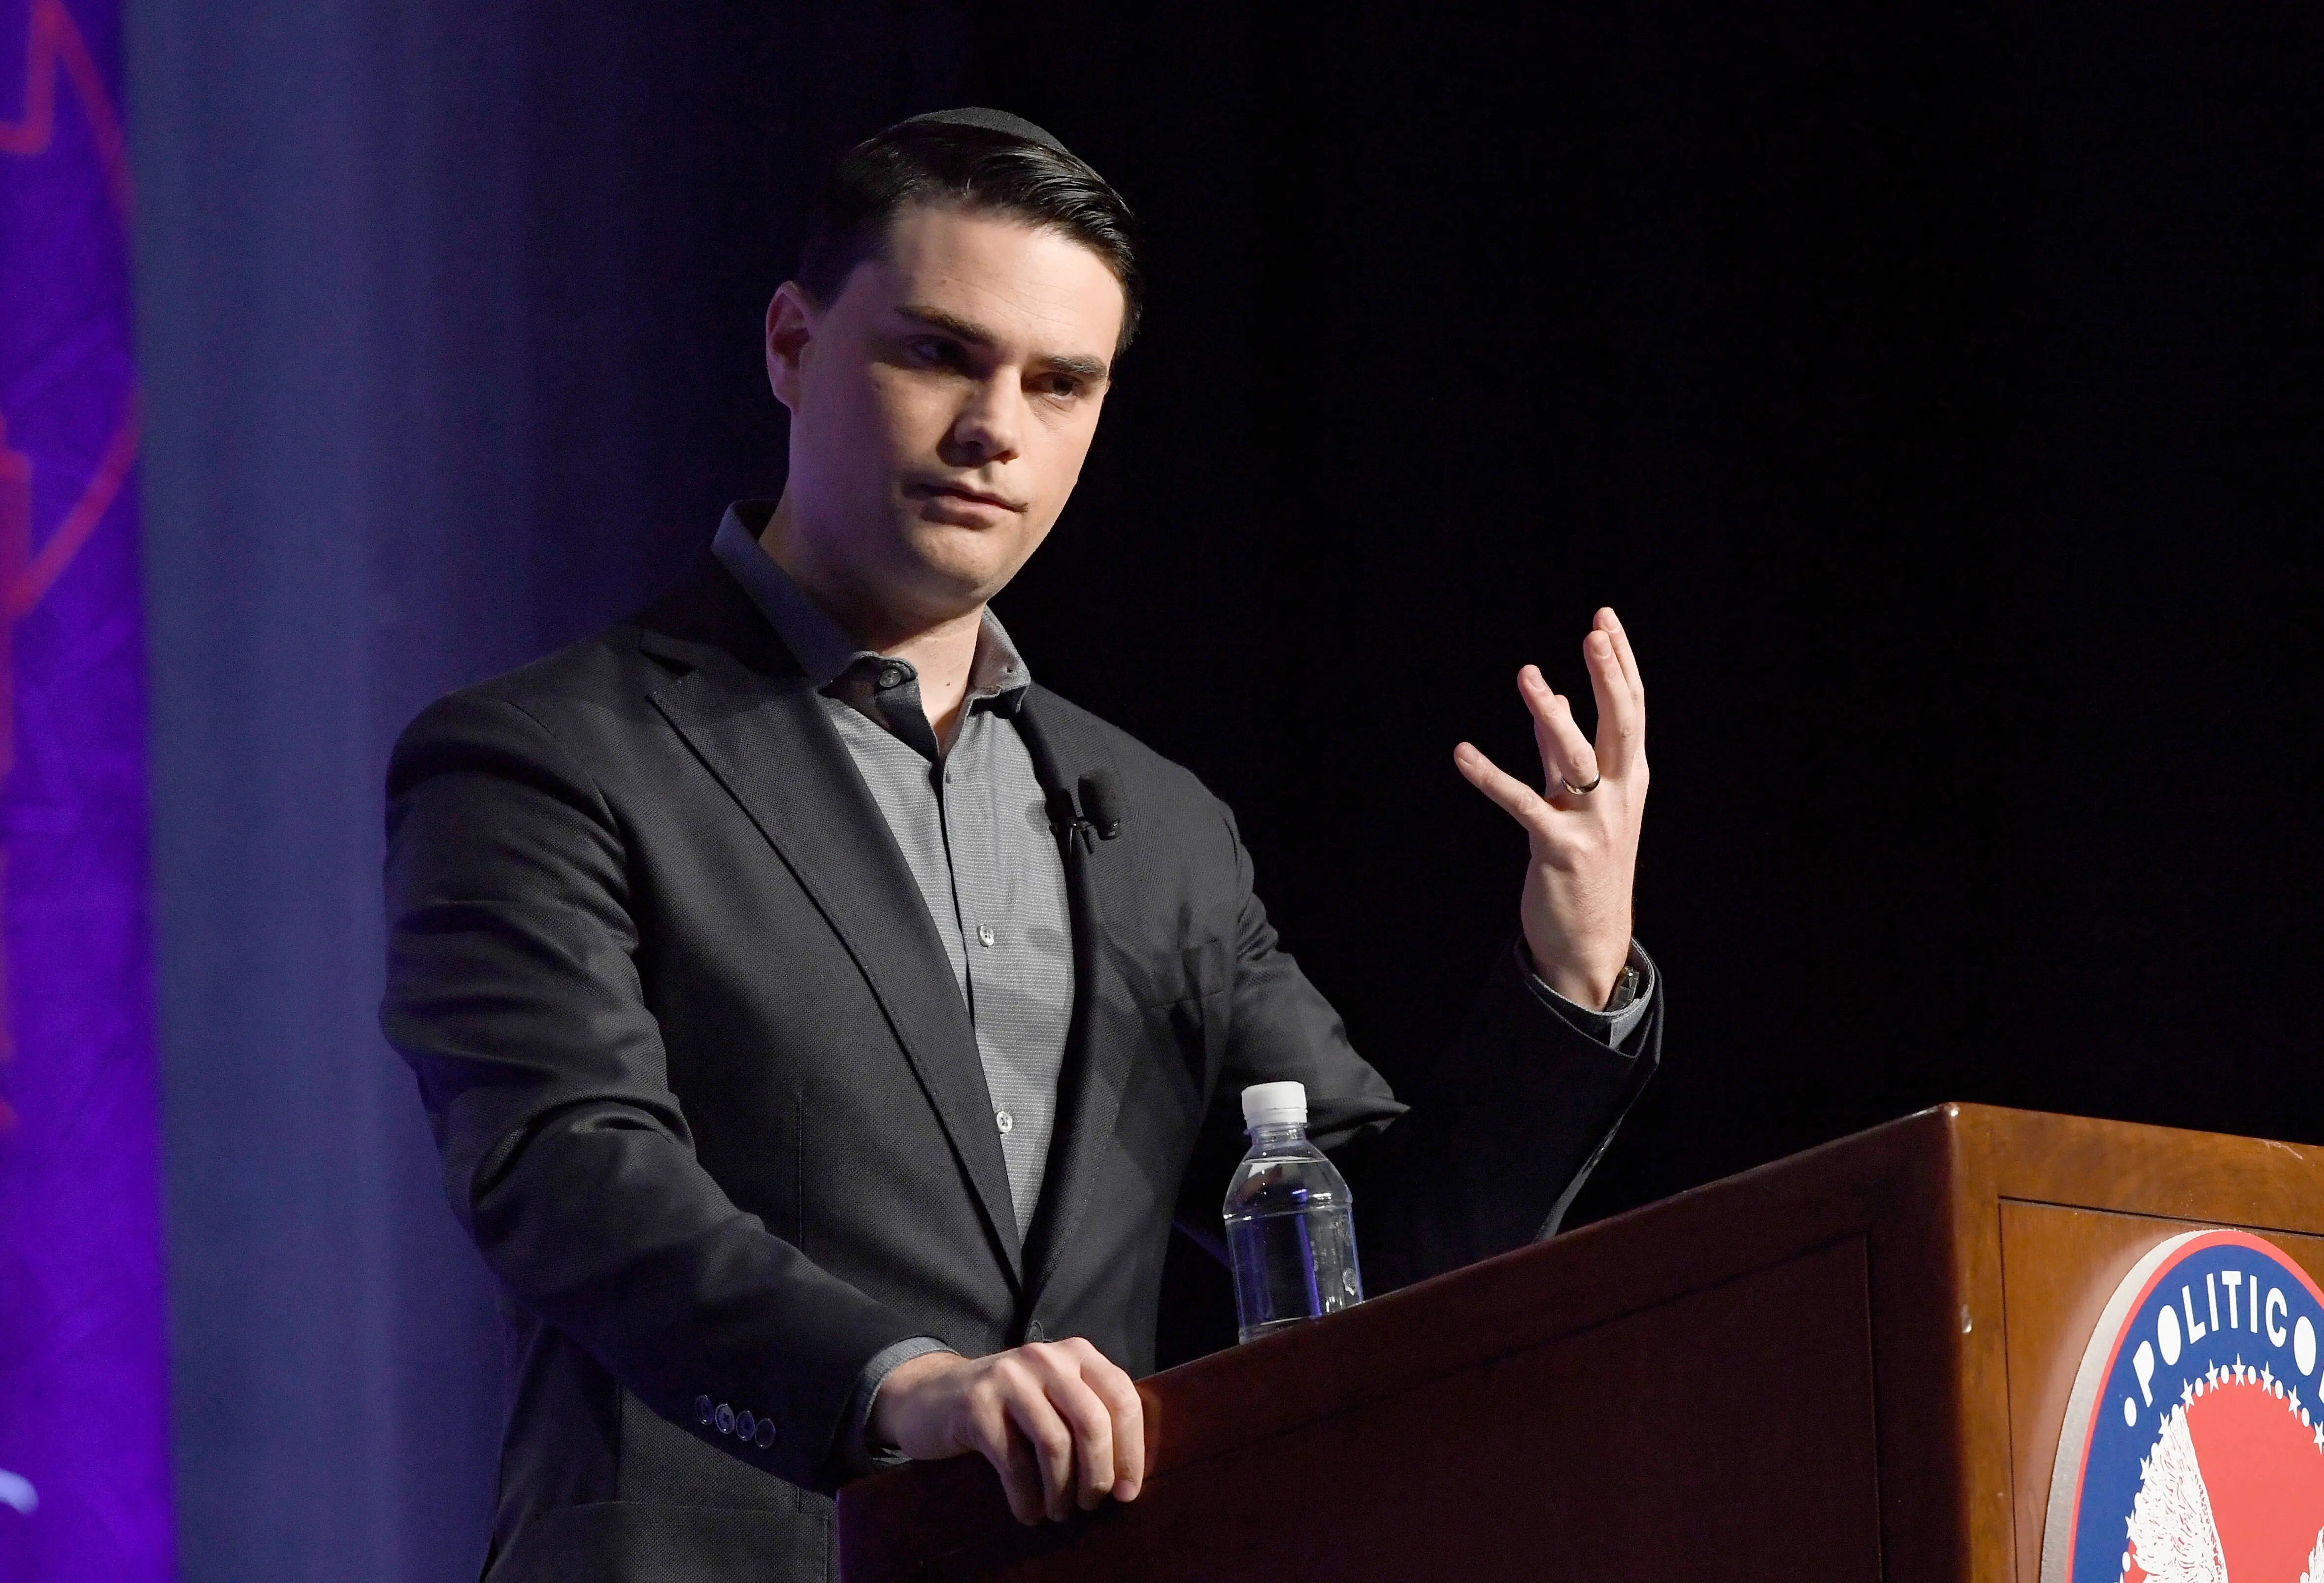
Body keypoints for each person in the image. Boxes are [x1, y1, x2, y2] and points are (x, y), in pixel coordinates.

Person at [381, 107, 1661, 1583]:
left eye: (1061, 383)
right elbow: (567, 1176)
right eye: (939, 352)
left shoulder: (1158, 820)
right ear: (791, 345)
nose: (997, 426)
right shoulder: (548, 754)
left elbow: (1352, 1249)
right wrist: (901, 1382)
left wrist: (1569, 976)